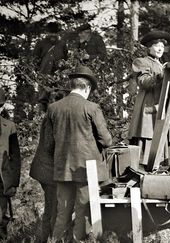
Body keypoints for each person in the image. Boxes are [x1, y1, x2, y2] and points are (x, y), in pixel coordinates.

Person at [47, 65, 112, 241]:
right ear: (87, 87)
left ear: (72, 85)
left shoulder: (53, 108)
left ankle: (57, 240)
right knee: (83, 210)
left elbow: (48, 143)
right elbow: (106, 140)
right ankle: (78, 240)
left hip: (63, 168)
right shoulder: (92, 108)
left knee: (63, 212)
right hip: (86, 170)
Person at [128, 30, 170, 167]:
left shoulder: (163, 65)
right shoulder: (141, 62)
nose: (160, 48)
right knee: (149, 139)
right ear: (149, 47)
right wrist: (160, 76)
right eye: (156, 45)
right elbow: (143, 81)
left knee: (161, 138)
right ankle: (145, 173)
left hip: (162, 109)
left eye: (162, 46)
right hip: (148, 108)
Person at [29, 90, 65, 243]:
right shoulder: (52, 117)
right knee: (52, 208)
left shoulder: (51, 115)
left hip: (47, 168)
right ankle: (47, 239)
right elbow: (50, 145)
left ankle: (48, 238)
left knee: (53, 206)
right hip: (47, 170)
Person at [0, 88, 21, 240]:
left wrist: (13, 182)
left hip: (2, 178)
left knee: (1, 214)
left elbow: (15, 157)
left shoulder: (9, 126)